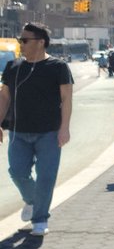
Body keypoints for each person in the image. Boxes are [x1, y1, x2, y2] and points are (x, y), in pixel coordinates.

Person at [0, 23, 73, 237]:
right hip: (18, 132)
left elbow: (67, 98)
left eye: (24, 40)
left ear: (41, 42)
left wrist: (64, 128)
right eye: (19, 40)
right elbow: (4, 97)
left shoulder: (58, 67)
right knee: (17, 172)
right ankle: (33, 201)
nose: (20, 44)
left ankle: (40, 218)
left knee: (46, 177)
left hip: (49, 133)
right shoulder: (13, 67)